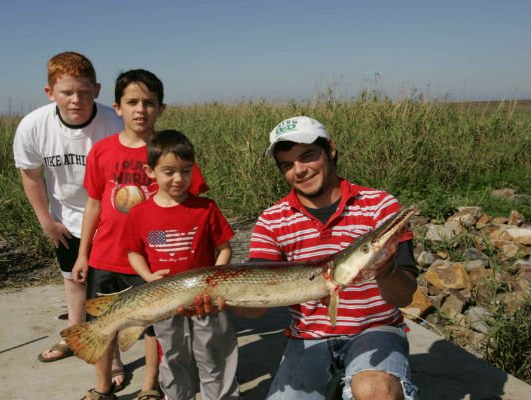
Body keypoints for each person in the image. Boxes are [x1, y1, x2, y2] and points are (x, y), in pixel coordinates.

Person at [184, 116, 420, 400]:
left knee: (373, 390)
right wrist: (223, 303)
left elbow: (404, 296)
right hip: (308, 339)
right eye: (287, 165)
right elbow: (257, 308)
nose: (300, 170)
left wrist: (384, 268)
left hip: (376, 330)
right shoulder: (272, 220)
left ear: (330, 149)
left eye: (307, 156)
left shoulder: (380, 205)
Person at [71, 70, 208, 400]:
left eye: (149, 102)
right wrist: (82, 254)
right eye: (132, 102)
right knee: (102, 324)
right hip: (106, 254)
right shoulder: (102, 152)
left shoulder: (172, 154)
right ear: (117, 108)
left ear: (161, 108)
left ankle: (151, 385)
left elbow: (191, 209)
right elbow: (93, 205)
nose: (140, 109)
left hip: (150, 262)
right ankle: (102, 388)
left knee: (151, 326)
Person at [12, 50, 126, 379]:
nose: (76, 99)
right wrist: (46, 220)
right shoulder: (33, 126)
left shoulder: (112, 123)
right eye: (67, 92)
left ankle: (112, 354)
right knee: (73, 283)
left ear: (97, 90)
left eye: (84, 91)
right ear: (50, 93)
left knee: (107, 291)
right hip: (65, 218)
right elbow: (31, 175)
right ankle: (73, 338)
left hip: (109, 219)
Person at [124, 130, 241, 400]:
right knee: (173, 356)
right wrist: (149, 277)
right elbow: (134, 253)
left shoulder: (206, 208)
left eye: (186, 171)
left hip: (206, 299)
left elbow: (224, 248)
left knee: (214, 355)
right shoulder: (140, 213)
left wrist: (216, 277)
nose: (179, 179)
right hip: (163, 300)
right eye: (169, 171)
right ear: (150, 171)